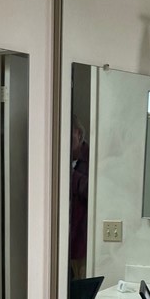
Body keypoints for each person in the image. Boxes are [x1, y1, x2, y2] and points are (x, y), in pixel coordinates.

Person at [69, 116, 90, 279]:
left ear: (79, 133)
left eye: (69, 134)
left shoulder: (92, 158)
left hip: (82, 242)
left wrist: (72, 176)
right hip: (62, 238)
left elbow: (94, 192)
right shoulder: (58, 159)